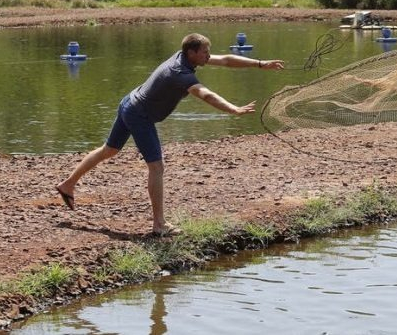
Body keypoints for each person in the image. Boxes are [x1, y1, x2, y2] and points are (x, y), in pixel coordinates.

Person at [55, 33, 285, 235]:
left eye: (208, 52)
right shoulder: (180, 73)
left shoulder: (185, 56)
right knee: (156, 167)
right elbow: (206, 95)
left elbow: (225, 60)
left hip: (129, 102)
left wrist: (260, 63)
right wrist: (233, 109)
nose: (209, 55)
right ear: (192, 52)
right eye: (205, 52)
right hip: (139, 114)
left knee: (110, 149)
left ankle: (68, 184)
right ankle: (159, 225)